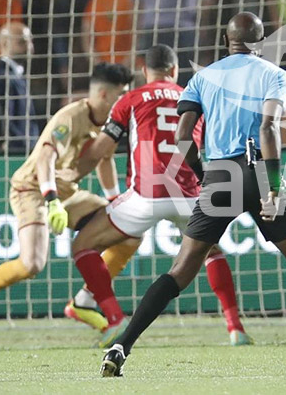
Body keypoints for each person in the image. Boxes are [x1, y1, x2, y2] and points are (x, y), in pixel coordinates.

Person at [99, 13, 286, 377]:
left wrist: (203, 175)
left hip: (220, 174)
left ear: (225, 40)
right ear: (261, 43)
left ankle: (122, 345)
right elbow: (268, 127)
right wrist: (274, 185)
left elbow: (182, 137)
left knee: (181, 270)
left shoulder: (202, 77)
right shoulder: (274, 74)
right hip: (259, 171)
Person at [63, 44, 252, 347]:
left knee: (83, 245)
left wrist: (69, 175)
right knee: (212, 252)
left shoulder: (130, 99)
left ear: (143, 71)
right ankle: (235, 328)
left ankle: (114, 319)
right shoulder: (194, 96)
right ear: (174, 70)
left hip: (145, 196)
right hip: (190, 194)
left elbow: (99, 152)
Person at [0, 63, 134, 338]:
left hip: (68, 191)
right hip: (32, 188)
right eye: (122, 94)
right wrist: (52, 201)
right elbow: (46, 158)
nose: (127, 99)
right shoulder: (71, 117)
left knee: (128, 231)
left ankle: (84, 302)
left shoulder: (111, 123)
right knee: (31, 263)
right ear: (104, 94)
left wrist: (114, 199)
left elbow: (105, 160)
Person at [0, 22, 40, 153]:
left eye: (31, 42)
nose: (30, 47)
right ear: (5, 44)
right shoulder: (0, 78)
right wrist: (23, 146)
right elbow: (2, 121)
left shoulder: (15, 76)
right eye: (23, 42)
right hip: (15, 154)